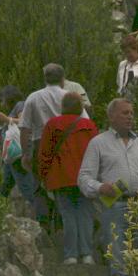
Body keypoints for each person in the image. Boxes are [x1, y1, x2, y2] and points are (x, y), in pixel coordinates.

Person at [79, 97, 138, 276]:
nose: (130, 117)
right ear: (111, 116)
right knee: (120, 262)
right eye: (125, 113)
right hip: (115, 206)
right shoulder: (98, 143)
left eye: (131, 113)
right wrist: (100, 187)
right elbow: (84, 178)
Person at [38, 91, 99, 265]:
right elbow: (97, 153)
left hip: (61, 177)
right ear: (80, 107)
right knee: (86, 215)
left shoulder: (52, 124)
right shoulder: (89, 125)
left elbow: (45, 154)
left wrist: (43, 176)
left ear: (62, 107)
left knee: (68, 216)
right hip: (85, 179)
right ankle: (87, 254)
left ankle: (70, 255)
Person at [19, 63, 89, 176]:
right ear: (62, 79)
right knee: (67, 178)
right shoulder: (71, 97)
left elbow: (25, 128)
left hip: (41, 144)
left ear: (45, 79)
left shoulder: (33, 98)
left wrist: (25, 154)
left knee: (43, 181)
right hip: (68, 143)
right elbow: (85, 122)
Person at [0, 85, 40, 216]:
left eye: (2, 99)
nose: (1, 103)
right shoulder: (16, 108)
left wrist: (6, 119)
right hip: (11, 157)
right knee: (5, 184)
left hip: (19, 154)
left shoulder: (20, 105)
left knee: (26, 187)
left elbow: (24, 122)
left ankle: (41, 215)